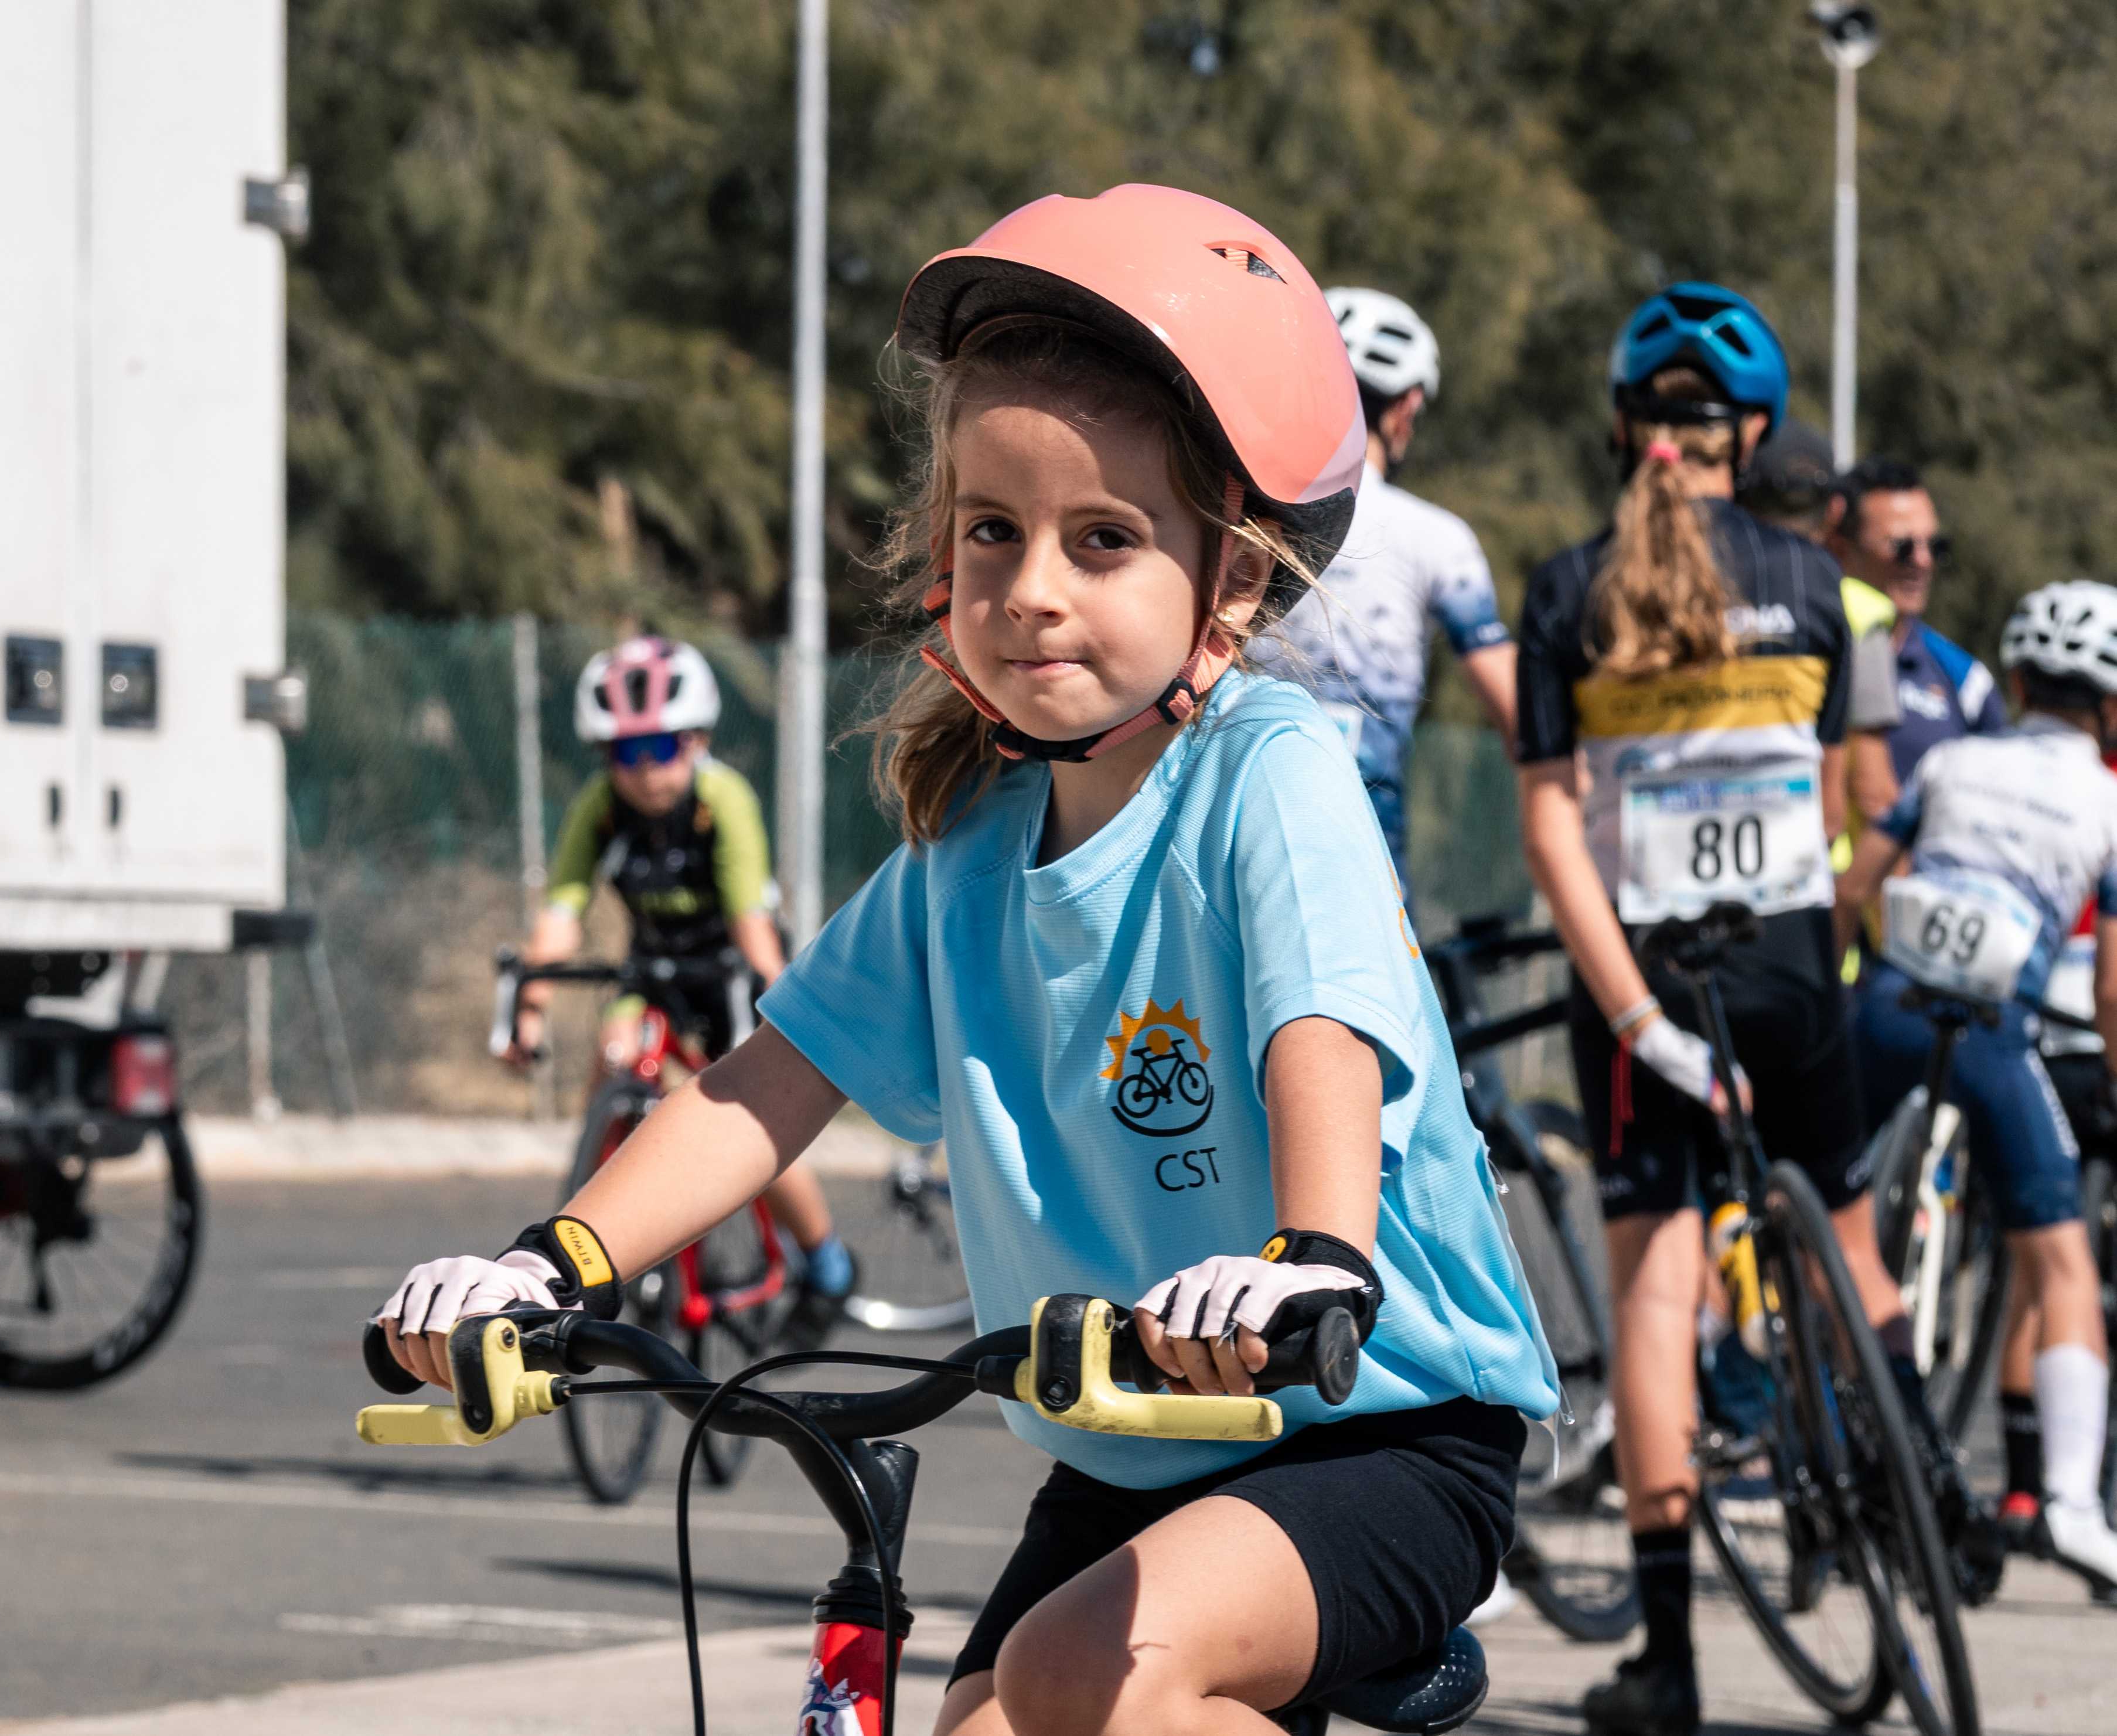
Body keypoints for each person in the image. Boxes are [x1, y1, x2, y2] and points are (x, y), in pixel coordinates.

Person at [379, 185, 1557, 1736]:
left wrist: (1312, 1261)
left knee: (1084, 1679)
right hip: (1130, 1440)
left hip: (1368, 1422)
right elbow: (765, 1079)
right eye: (990, 530)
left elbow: (1322, 1032)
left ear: (1232, 587)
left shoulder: (1268, 767)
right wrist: (551, 1261)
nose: (1032, 588)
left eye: (1103, 539)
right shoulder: (965, 847)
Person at [1514, 283, 1994, 1736]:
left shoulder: (1566, 591)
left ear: (1624, 428)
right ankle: (1924, 1486)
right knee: (1853, 1242)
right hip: (1794, 967)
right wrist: (1826, 942)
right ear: (1756, 434)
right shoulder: (1823, 590)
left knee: (1660, 1294)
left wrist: (1635, 1017)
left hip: (1648, 991)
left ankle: (1667, 1660)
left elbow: (1551, 831)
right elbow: (1853, 808)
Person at [1837, 580, 2117, 1595]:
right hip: (1995, 1032)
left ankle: (1824, 1429)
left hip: (1887, 1009)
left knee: (1837, 1222)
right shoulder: (2109, 797)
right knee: (2062, 1263)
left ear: (2026, 678)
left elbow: (1855, 886)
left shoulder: (1952, 759)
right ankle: (2075, 1506)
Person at [508, 635, 856, 1340]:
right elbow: (560, 914)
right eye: (621, 752)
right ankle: (598, 1232)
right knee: (613, 1058)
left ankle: (825, 1262)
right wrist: (529, 1004)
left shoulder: (721, 799)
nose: (641, 771)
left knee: (753, 1111)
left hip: (733, 965)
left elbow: (749, 918)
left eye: (658, 748)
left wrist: (774, 1002)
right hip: (653, 968)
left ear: (695, 740)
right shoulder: (599, 808)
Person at [1259, 288, 1514, 882]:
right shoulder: (1435, 535)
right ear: (1404, 409)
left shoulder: (1240, 511)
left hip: (1221, 801)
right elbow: (1513, 706)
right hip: (1358, 821)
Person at [1741, 419, 1904, 835]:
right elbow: (1871, 788)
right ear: (1834, 509)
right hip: (1812, 869)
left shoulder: (1689, 592)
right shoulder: (1858, 609)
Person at [1828, 456, 2006, 787]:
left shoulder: (1965, 680)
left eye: (1935, 546)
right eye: (1903, 547)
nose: (1922, 562)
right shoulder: (1804, 652)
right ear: (1841, 549)